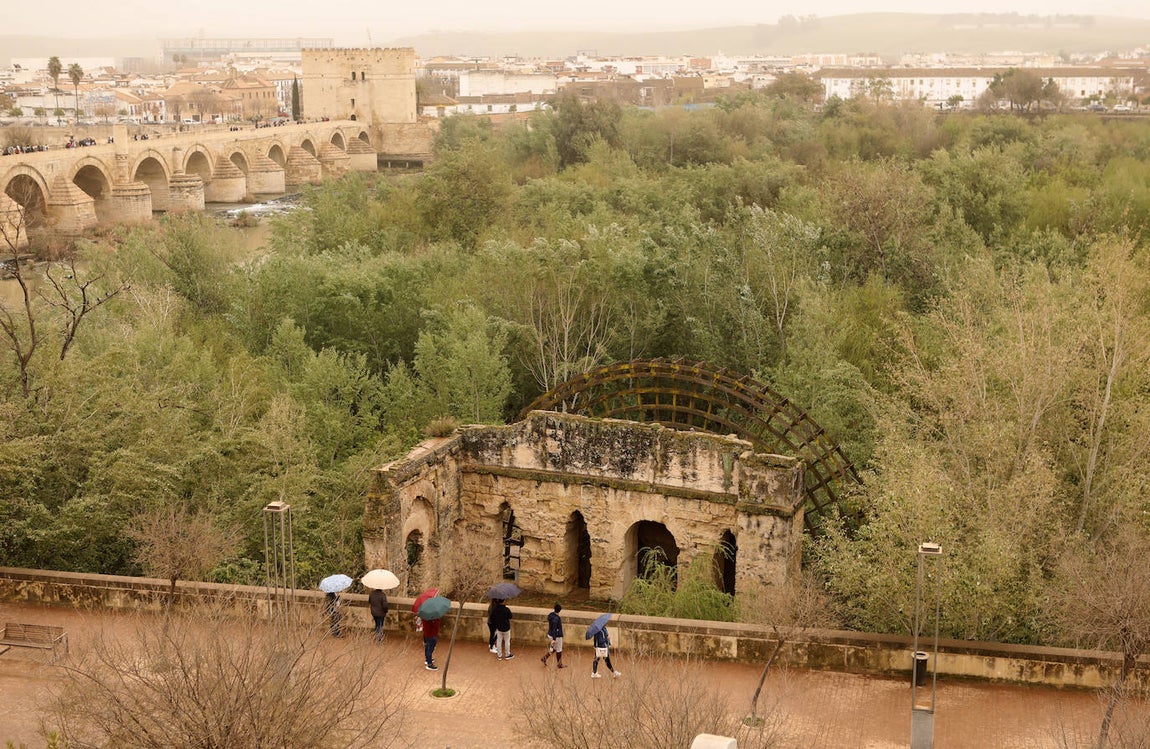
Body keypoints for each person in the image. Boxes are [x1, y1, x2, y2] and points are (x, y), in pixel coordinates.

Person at [540, 603, 565, 668]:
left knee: (554, 648)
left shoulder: (551, 615)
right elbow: (555, 629)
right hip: (556, 636)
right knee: (559, 650)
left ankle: (544, 658)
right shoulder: (556, 619)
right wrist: (554, 639)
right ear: (560, 610)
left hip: (550, 634)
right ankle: (559, 664)